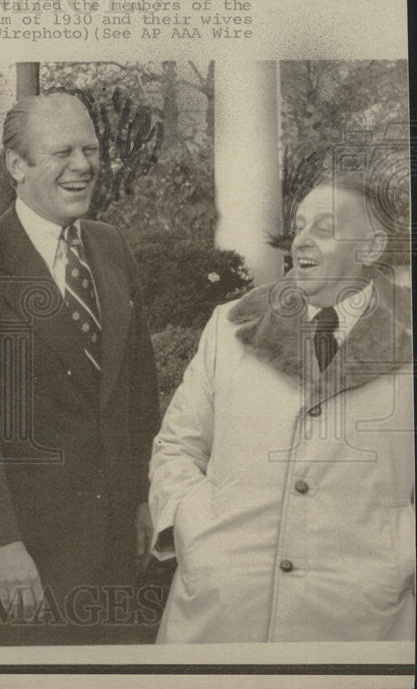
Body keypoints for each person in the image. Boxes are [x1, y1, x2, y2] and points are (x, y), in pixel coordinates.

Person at [0, 91, 160, 643]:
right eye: (62, 152)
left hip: (118, 548)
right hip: (29, 555)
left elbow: (138, 388)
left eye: (90, 149)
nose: (83, 165)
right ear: (17, 166)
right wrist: (0, 541)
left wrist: (148, 495)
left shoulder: (111, 247)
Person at [148, 175, 414, 642]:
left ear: (371, 247)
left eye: (324, 228)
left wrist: (400, 553)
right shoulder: (229, 326)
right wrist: (194, 532)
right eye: (299, 226)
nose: (301, 241)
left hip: (358, 620)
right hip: (222, 611)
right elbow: (177, 446)